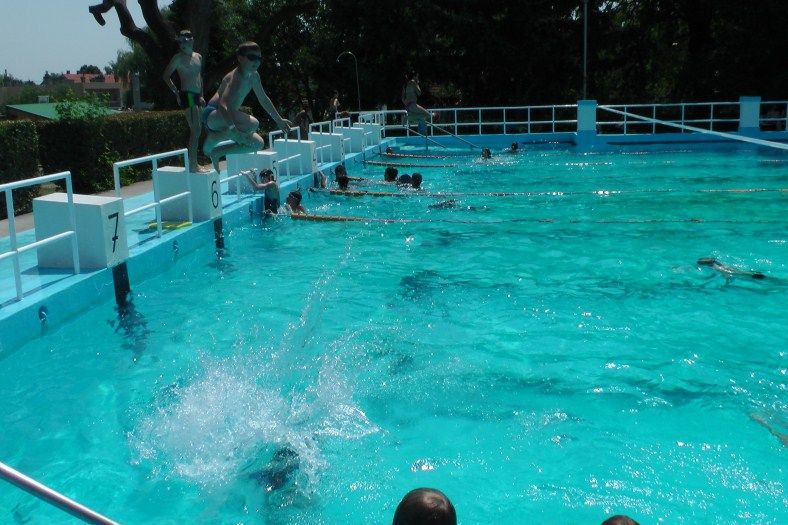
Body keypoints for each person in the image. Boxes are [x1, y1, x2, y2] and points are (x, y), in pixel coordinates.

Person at [202, 41, 293, 171]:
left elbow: (263, 99)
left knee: (257, 144)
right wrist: (234, 132)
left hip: (226, 116)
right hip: (213, 114)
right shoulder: (235, 78)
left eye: (259, 58)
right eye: (252, 57)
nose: (256, 61)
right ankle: (215, 137)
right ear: (240, 58)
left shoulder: (254, 76)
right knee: (253, 124)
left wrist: (279, 120)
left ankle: (218, 152)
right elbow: (222, 106)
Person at [163, 30, 206, 173]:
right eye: (179, 41)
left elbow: (199, 77)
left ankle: (194, 163)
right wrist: (175, 91)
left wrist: (201, 95)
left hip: (196, 95)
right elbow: (166, 76)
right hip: (187, 94)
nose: (181, 44)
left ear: (191, 40)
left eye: (184, 41)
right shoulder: (178, 58)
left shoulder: (198, 57)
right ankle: (193, 165)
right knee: (195, 130)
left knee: (198, 131)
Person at [697, 257, 766, 281]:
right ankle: (754, 273)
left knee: (740, 273)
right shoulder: (716, 263)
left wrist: (727, 279)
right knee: (741, 271)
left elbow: (723, 272)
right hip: (727, 267)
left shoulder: (713, 266)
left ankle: (754, 275)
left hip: (726, 271)